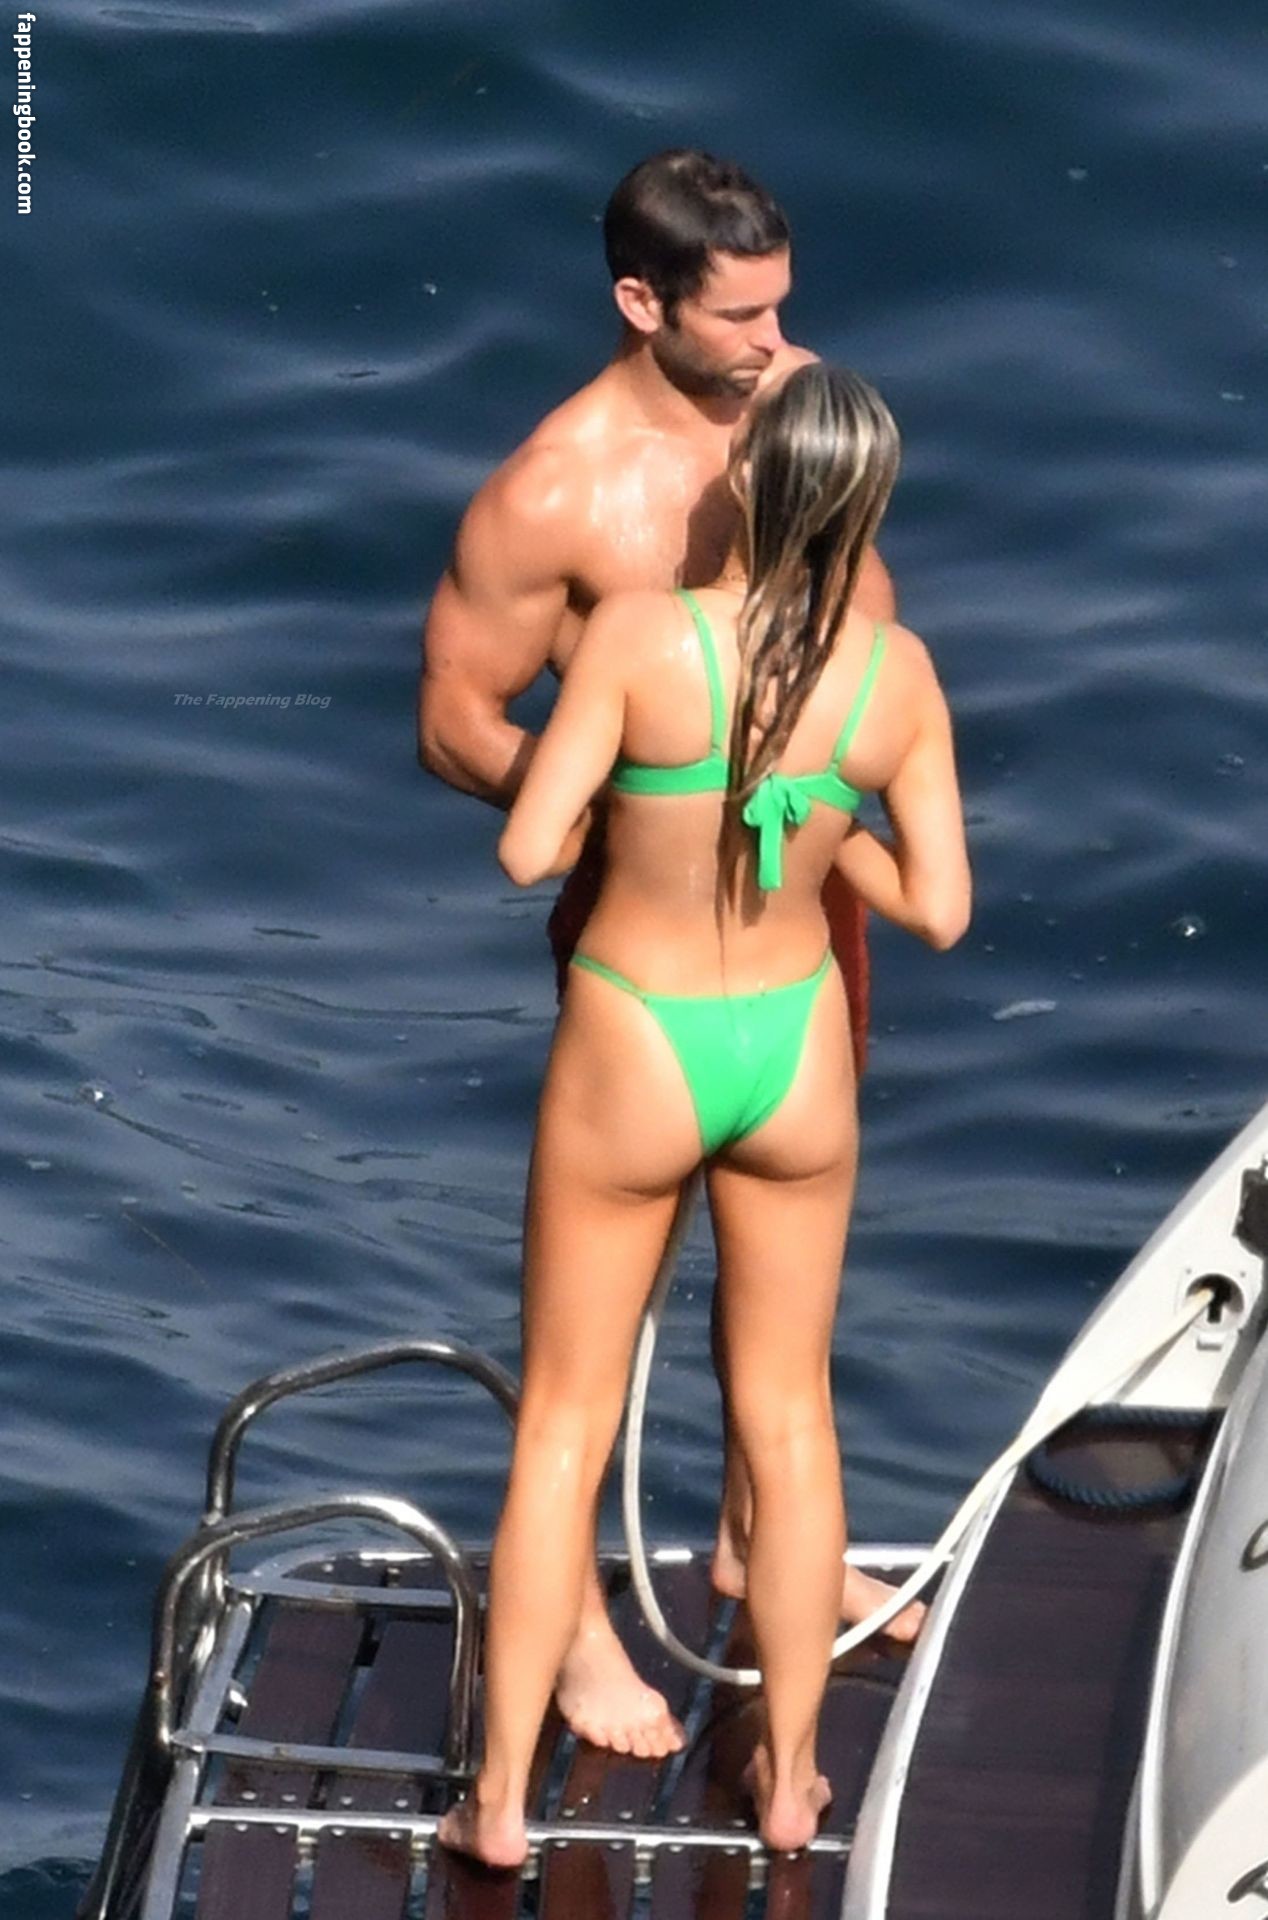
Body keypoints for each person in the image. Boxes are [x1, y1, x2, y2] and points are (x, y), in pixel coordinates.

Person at [438, 363, 971, 1866]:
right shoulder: (897, 673)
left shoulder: (638, 634)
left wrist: (644, 803)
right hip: (795, 1048)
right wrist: (824, 828)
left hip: (640, 1036)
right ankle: (793, 1784)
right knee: (791, 1421)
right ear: (868, 503)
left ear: (750, 485)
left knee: (565, 1419)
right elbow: (940, 909)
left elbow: (527, 849)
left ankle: (497, 1807)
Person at [419, 150, 905, 1758]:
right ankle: (569, 1633)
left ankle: (764, 1542)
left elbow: (865, 634)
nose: (780, 340)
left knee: (782, 1275)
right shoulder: (555, 492)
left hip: (805, 906)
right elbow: (456, 719)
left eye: (784, 304)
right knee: (600, 1308)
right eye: (742, 316)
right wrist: (627, 811)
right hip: (642, 937)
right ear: (642, 302)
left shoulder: (799, 407)